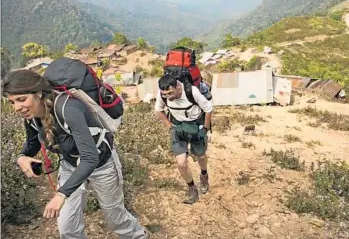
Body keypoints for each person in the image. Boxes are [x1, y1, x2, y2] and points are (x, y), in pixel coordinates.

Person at [2, 69, 149, 239]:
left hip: (101, 164)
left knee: (115, 218)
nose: (17, 107)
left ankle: (139, 236)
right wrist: (22, 156)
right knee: (67, 227)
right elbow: (32, 143)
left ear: (39, 93)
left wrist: (61, 194)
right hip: (70, 165)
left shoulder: (68, 108)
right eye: (12, 102)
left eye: (21, 99)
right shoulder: (31, 115)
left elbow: (90, 157)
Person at [155, 74, 213, 204]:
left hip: (196, 126)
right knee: (181, 163)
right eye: (165, 94)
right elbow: (158, 110)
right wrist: (170, 127)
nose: (168, 97)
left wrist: (205, 129)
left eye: (170, 93)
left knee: (201, 156)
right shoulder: (162, 95)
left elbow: (208, 109)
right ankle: (192, 188)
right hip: (178, 127)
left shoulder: (191, 91)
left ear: (177, 86)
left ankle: (204, 174)